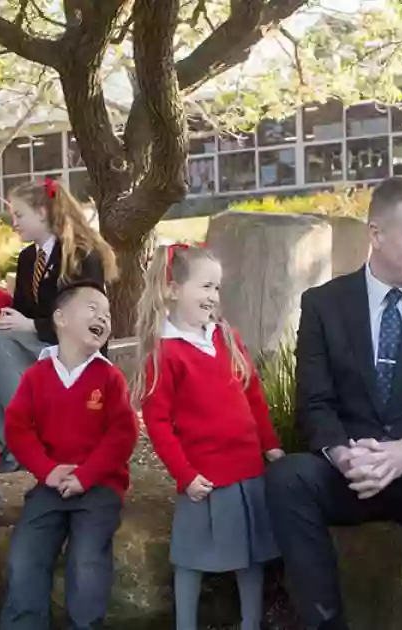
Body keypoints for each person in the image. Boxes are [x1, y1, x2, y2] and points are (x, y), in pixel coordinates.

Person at [264, 177, 402, 630]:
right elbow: (314, 403)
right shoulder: (324, 303)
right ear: (376, 234)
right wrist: (344, 455)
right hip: (355, 472)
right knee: (287, 478)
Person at [133, 244, 285, 630]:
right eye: (205, 287)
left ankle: (251, 624)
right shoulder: (164, 354)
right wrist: (184, 474)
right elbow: (160, 423)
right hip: (205, 478)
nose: (213, 297)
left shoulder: (226, 337)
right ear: (171, 290)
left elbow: (253, 395)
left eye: (217, 288)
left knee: (250, 556)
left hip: (248, 469)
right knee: (190, 558)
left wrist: (270, 445)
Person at [0, 281, 138, 630]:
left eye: (107, 315)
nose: (103, 318)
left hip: (99, 487)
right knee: (25, 556)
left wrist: (86, 476)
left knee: (87, 561)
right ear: (60, 318)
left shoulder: (109, 377)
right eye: (92, 308)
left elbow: (123, 434)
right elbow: (18, 429)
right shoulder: (36, 376)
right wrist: (47, 472)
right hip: (51, 483)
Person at [0, 177, 118, 474]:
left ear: (43, 214)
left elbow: (89, 321)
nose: (13, 222)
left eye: (19, 215)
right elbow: (22, 310)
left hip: (72, 346)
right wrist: (11, 320)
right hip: (37, 340)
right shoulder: (28, 258)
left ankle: (33, 438)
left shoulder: (81, 254)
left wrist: (31, 325)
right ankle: (2, 442)